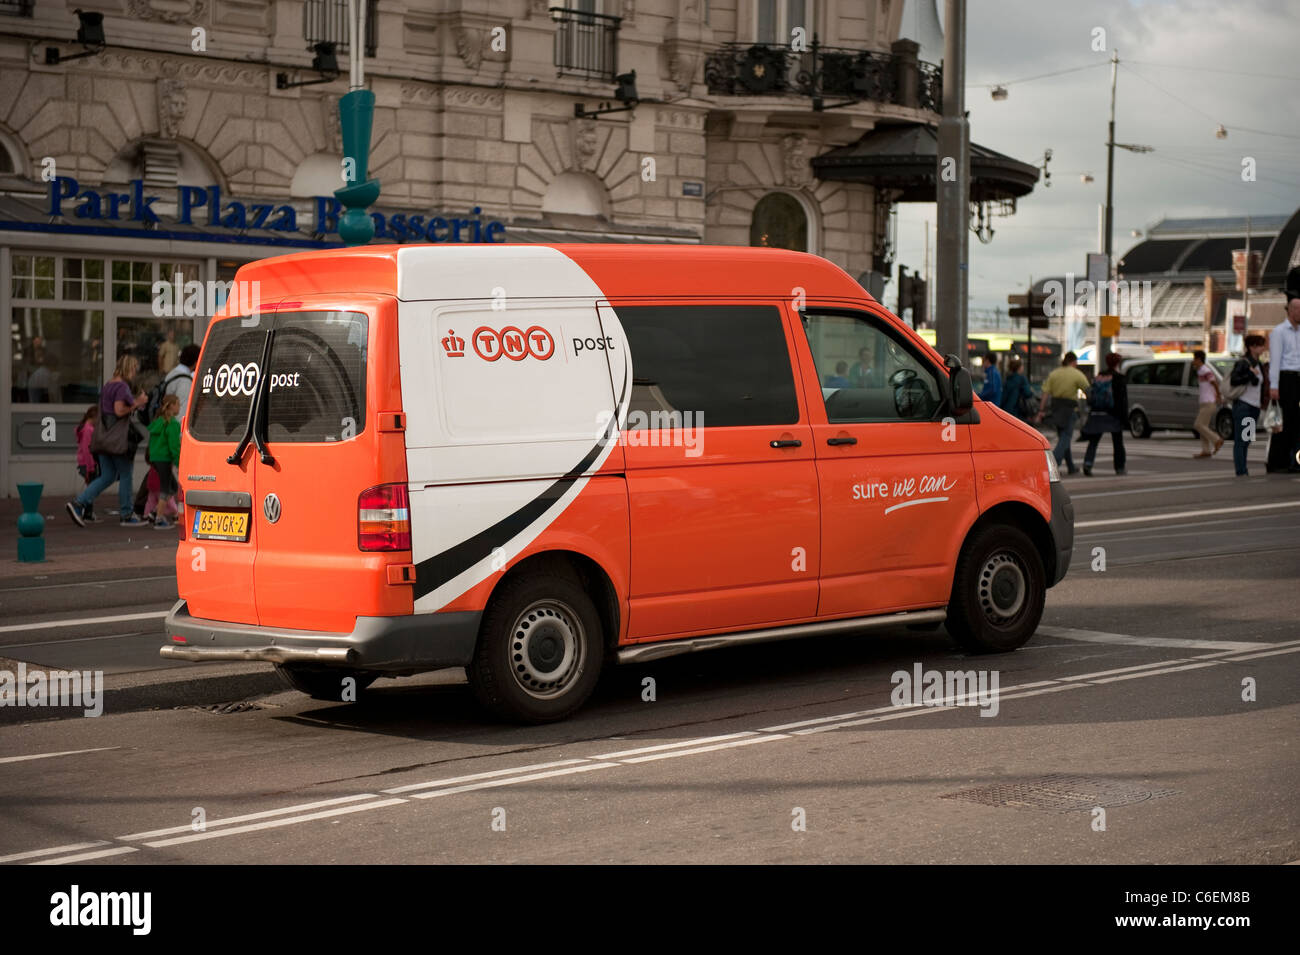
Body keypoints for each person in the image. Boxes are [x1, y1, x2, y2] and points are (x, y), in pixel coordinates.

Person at [66, 355, 148, 527]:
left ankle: (79, 503)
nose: (135, 373)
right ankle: (127, 514)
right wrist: (137, 402)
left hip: (103, 439)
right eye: (133, 369)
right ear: (128, 368)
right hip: (117, 440)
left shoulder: (108, 385)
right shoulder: (121, 387)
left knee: (108, 475)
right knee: (125, 474)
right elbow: (119, 411)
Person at [1036, 351, 1090, 474]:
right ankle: (1053, 462)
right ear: (1074, 362)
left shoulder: (1054, 374)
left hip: (1056, 408)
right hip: (1070, 408)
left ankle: (1071, 467)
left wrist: (1041, 410)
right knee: (1066, 437)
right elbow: (1087, 390)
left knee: (1063, 436)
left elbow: (1045, 393)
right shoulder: (1077, 374)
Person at [1266, 294, 1300, 473]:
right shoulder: (1279, 332)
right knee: (1282, 423)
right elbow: (1275, 360)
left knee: (1296, 423)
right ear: (1291, 310)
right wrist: (1274, 385)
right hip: (1285, 379)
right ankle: (1276, 462)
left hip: (1298, 378)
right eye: (1299, 309)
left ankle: (1293, 460)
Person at [1081, 351, 1128, 476]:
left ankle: (1088, 463)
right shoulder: (1119, 378)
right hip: (1114, 414)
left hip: (1097, 412)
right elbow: (1122, 400)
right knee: (1117, 442)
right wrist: (1124, 418)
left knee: (1094, 440)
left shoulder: (1100, 376)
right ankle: (1119, 467)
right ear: (1117, 363)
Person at [1229, 334, 1267, 477]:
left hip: (1254, 406)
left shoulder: (1259, 364)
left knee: (1247, 439)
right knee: (1241, 439)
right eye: (1260, 345)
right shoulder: (1244, 363)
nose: (1263, 348)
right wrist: (1251, 375)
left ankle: (1243, 468)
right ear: (1252, 347)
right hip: (1244, 405)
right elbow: (1234, 380)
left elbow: (1259, 384)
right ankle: (1241, 470)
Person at [146, 394, 182, 529]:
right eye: (178, 404)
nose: (179, 407)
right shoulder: (173, 424)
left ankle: (154, 512)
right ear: (172, 406)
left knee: (172, 487)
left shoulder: (158, 422)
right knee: (166, 489)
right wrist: (179, 462)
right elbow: (174, 446)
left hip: (155, 457)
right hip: (165, 458)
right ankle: (159, 520)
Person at [1191, 349, 1223, 459]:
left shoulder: (1205, 370)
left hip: (1209, 402)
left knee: (1198, 425)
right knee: (1203, 426)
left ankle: (1217, 440)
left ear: (1199, 359)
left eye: (1194, 359)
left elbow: (1214, 383)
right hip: (1204, 402)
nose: (1193, 361)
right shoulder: (1200, 370)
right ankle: (1206, 451)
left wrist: (1218, 396)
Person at [74, 405, 100, 522]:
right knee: (92, 488)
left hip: (84, 462)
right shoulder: (88, 430)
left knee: (91, 487)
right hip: (88, 463)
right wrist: (91, 467)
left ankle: (88, 513)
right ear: (94, 417)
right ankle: (86, 513)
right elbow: (87, 449)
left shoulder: (84, 428)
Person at [165, 343, 200, 423]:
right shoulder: (185, 382)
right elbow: (182, 414)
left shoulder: (172, 374)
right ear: (195, 362)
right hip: (176, 430)